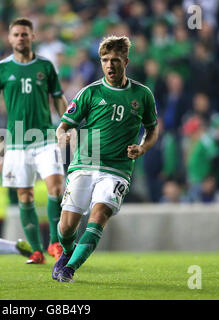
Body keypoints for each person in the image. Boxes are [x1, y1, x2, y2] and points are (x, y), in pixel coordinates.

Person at [52, 35, 159, 282]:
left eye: (115, 60)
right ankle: (67, 252)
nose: (110, 65)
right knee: (67, 226)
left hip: (117, 169)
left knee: (99, 214)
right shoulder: (90, 93)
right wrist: (63, 136)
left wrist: (142, 148)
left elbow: (153, 130)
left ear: (126, 61)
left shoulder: (142, 95)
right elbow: (63, 126)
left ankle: (69, 270)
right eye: (105, 60)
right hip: (84, 163)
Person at [0, 18, 68, 264]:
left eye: (25, 34)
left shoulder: (46, 66)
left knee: (56, 187)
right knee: (25, 195)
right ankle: (36, 251)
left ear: (32, 36)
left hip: (45, 136)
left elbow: (58, 97)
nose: (21, 38)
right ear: (10, 38)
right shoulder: (1, 69)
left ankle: (55, 243)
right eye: (16, 34)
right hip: (15, 142)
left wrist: (67, 123)